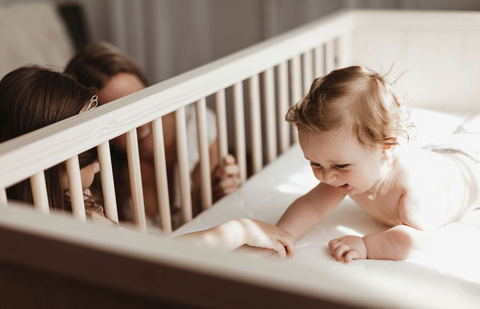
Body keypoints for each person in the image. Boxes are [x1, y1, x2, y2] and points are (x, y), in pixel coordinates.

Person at [0, 65, 295, 257]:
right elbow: (152, 259)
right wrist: (236, 230)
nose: (99, 163)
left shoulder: (77, 200)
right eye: (88, 153)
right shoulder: (71, 219)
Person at [275, 65, 480, 264]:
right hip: (440, 152)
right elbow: (313, 205)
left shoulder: (410, 188)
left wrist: (366, 246)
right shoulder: (342, 175)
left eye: (341, 166)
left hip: (470, 166)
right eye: (315, 163)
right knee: (465, 134)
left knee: (470, 134)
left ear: (385, 148)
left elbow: (419, 239)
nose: (327, 177)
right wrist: (282, 234)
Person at [65, 41, 241, 228]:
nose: (141, 125)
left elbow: (207, 213)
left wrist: (218, 191)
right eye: (121, 118)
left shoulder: (195, 126)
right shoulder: (94, 168)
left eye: (141, 101)